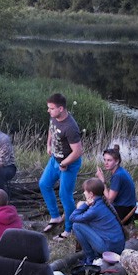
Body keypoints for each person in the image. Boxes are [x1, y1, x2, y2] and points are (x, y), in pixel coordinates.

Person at [38, 93, 83, 239]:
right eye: (48, 108)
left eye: (51, 108)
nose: (48, 111)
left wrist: (64, 163)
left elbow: (77, 152)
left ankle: (69, 230)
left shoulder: (70, 127)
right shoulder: (54, 117)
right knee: (44, 184)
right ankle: (56, 217)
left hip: (69, 164)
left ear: (61, 108)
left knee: (65, 195)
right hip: (55, 160)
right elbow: (51, 130)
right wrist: (48, 144)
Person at [69, 178, 126, 265]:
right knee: (84, 223)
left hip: (109, 248)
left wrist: (85, 204)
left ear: (91, 194)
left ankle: (90, 258)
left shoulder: (94, 210)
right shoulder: (105, 203)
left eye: (85, 191)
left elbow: (72, 217)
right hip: (119, 246)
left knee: (77, 225)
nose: (84, 193)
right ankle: (95, 254)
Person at [95, 145, 137, 223]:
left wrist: (102, 180)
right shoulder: (120, 171)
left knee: (94, 210)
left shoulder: (118, 175)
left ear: (117, 161)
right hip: (128, 207)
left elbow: (109, 200)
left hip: (124, 211)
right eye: (104, 160)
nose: (106, 163)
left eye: (109, 160)